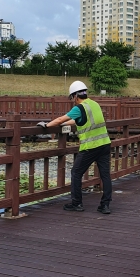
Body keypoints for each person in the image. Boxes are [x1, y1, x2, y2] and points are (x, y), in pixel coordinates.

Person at [37, 80, 112, 214]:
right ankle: (105, 205)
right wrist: (62, 123)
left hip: (90, 146)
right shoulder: (95, 104)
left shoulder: (79, 108)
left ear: (75, 96)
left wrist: (47, 125)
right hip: (105, 144)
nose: (73, 100)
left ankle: (77, 203)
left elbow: (62, 119)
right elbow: (77, 120)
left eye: (72, 98)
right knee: (105, 175)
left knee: (76, 173)